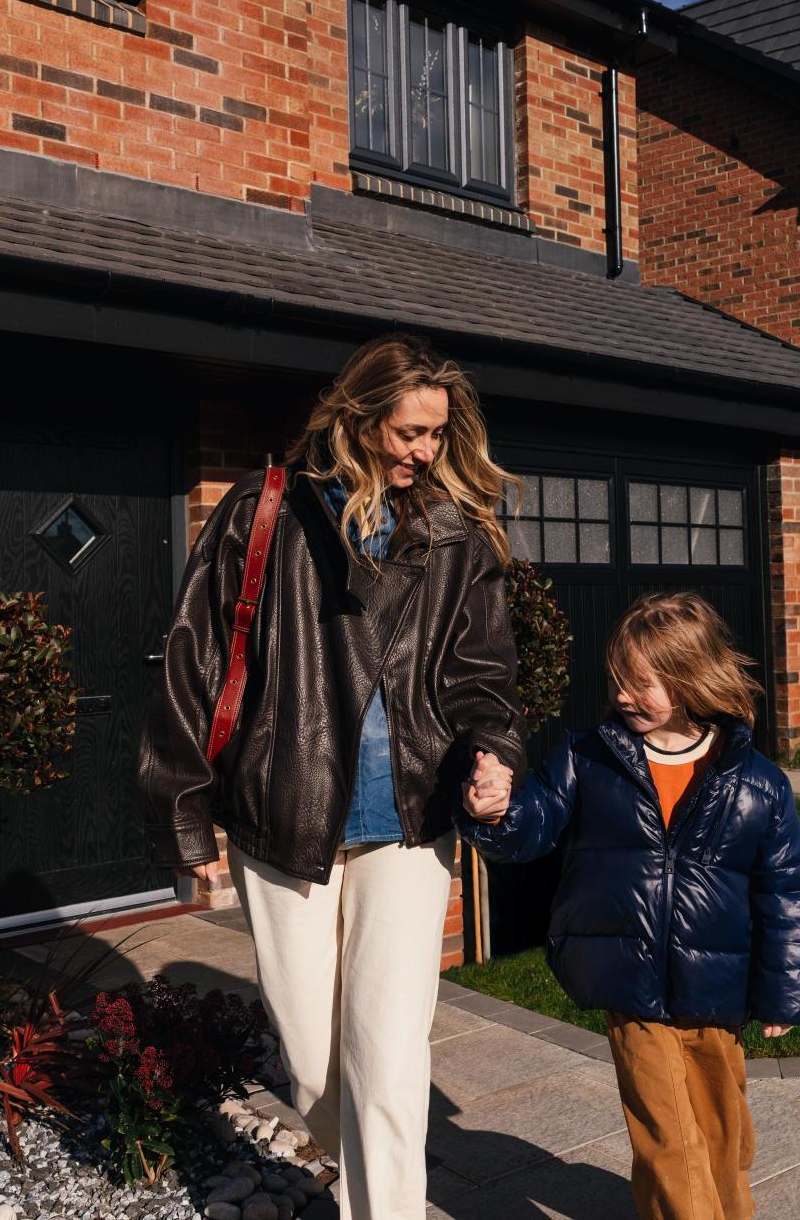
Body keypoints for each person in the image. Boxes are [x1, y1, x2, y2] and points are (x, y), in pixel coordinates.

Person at [137, 333, 523, 1219]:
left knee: (388, 1058)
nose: (425, 451)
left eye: (436, 434)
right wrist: (187, 817)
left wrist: (493, 753)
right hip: (289, 811)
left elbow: (483, 674)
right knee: (313, 1060)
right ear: (359, 415)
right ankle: (360, 1172)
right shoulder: (263, 512)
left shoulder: (453, 532)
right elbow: (193, 666)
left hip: (412, 817)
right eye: (409, 431)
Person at [461, 592, 800, 1220]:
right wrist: (497, 810)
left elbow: (787, 888)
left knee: (722, 1133)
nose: (621, 696)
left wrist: (786, 992)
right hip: (627, 978)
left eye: (638, 683)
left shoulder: (756, 781)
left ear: (687, 679)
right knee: (669, 1138)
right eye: (616, 681)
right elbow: (535, 823)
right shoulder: (587, 758)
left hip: (718, 986)